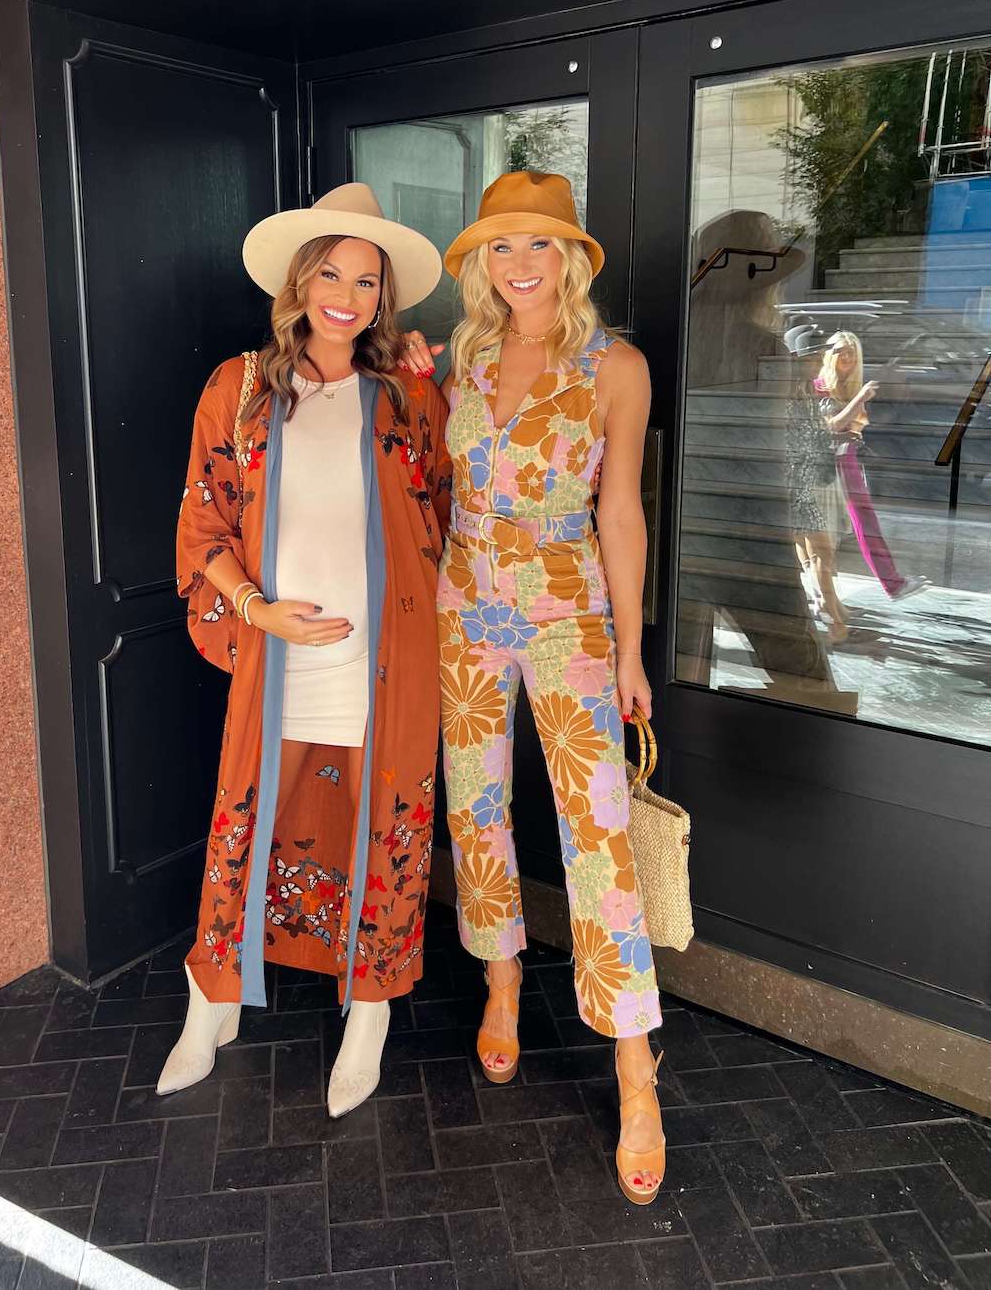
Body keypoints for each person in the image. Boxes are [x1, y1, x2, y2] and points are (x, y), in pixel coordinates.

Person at [404, 170, 666, 1206]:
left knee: (595, 835)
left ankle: (635, 1071)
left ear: (571, 260)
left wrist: (632, 650)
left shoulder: (616, 368)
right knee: (475, 809)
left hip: (569, 613)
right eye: (502, 248)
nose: (520, 265)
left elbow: (623, 515)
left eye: (540, 246)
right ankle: (502, 982)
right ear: (480, 264)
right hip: (462, 605)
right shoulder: (459, 363)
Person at [165, 184, 451, 1119]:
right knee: (252, 823)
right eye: (329, 271)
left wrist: (431, 386)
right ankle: (210, 1004)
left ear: (384, 297)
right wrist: (258, 610)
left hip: (388, 659)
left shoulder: (407, 394)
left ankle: (366, 1014)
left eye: (365, 280)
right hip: (278, 653)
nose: (346, 293)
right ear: (299, 281)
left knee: (383, 826)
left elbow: (445, 513)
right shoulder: (238, 387)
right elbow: (202, 525)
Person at [815, 331, 928, 602]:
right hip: (827, 468)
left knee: (862, 524)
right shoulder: (820, 385)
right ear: (829, 354)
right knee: (822, 537)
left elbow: (855, 427)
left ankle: (891, 584)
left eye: (852, 351)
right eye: (841, 350)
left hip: (848, 461)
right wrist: (859, 400)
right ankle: (825, 597)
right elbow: (830, 427)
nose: (847, 356)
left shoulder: (851, 385)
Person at [784, 324, 851, 643]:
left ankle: (829, 603)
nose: (821, 361)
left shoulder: (805, 389)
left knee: (810, 548)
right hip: (795, 484)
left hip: (803, 481)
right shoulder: (790, 392)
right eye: (814, 356)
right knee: (821, 549)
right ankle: (832, 615)